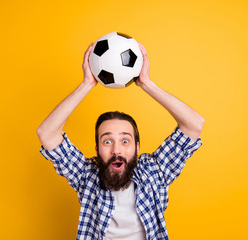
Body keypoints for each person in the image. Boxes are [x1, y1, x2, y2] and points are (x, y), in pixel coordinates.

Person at [37, 42, 205, 240]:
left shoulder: (155, 173)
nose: (116, 150)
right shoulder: (86, 177)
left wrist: (146, 84)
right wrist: (86, 84)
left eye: (125, 141)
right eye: (107, 142)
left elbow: (194, 124)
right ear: (97, 149)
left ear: (137, 147)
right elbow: (47, 133)